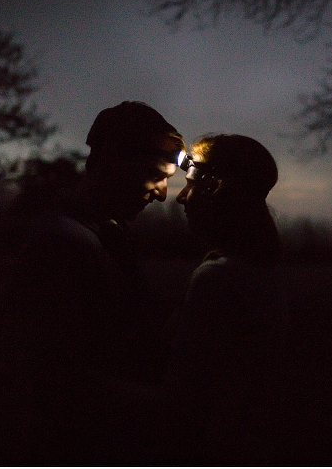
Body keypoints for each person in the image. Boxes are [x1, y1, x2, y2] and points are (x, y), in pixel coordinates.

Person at [15, 101, 185, 465]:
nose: (162, 194)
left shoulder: (106, 236)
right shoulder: (62, 244)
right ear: (113, 164)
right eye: (158, 175)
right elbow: (59, 378)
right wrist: (166, 403)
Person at [165, 133, 289, 465]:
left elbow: (187, 395)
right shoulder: (264, 270)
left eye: (190, 185)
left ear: (215, 187)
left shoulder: (218, 279)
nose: (181, 197)